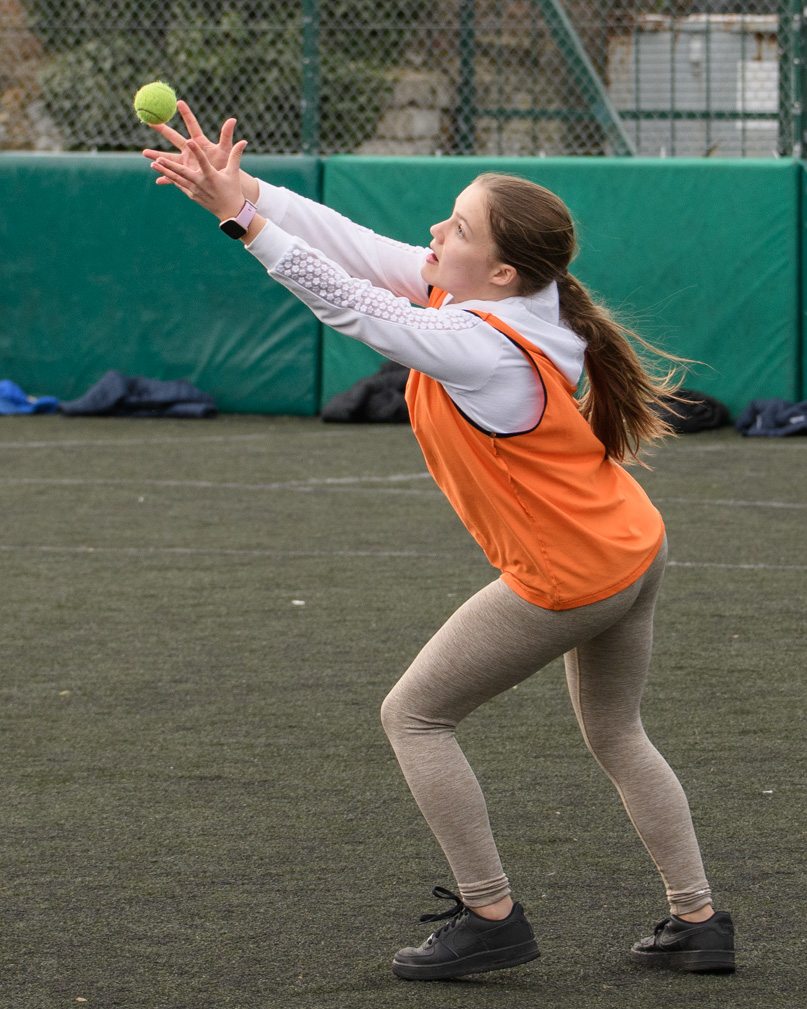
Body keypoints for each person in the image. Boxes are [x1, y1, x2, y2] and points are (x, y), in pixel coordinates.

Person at [143, 103, 736, 982]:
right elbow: (351, 244)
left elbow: (349, 304)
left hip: (574, 576)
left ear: (497, 267)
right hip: (632, 547)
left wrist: (246, 221)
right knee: (616, 732)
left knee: (414, 716)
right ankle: (699, 921)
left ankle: (489, 913)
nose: (432, 231)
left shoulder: (480, 344)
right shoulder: (507, 297)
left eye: (454, 226)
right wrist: (246, 191)